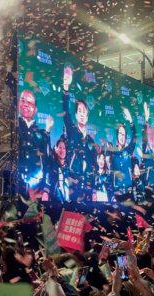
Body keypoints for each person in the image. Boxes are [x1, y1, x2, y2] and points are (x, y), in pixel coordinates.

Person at [62, 66, 98, 202]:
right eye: (80, 111)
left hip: (87, 187)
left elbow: (94, 165)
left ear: (87, 116)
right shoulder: (72, 131)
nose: (82, 114)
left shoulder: (90, 140)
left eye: (85, 112)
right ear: (76, 115)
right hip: (72, 183)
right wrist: (66, 88)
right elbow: (65, 112)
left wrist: (93, 189)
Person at [18, 89, 53, 200]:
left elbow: (47, 163)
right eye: (22, 100)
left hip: (36, 190)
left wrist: (46, 190)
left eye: (29, 103)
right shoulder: (13, 128)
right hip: (15, 188)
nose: (25, 105)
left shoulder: (42, 134)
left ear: (35, 109)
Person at [109, 108, 136, 200]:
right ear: (117, 135)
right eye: (120, 133)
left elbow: (134, 136)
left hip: (129, 193)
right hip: (117, 193)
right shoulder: (112, 152)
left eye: (124, 134)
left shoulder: (128, 150)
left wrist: (131, 122)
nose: (122, 137)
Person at [47, 137, 72, 202]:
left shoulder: (68, 168)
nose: (62, 150)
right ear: (56, 149)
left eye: (64, 148)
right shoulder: (52, 166)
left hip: (67, 204)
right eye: (60, 147)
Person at [141, 102, 154, 193]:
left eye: (151, 134)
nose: (150, 136)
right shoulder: (145, 148)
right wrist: (146, 119)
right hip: (147, 184)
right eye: (148, 134)